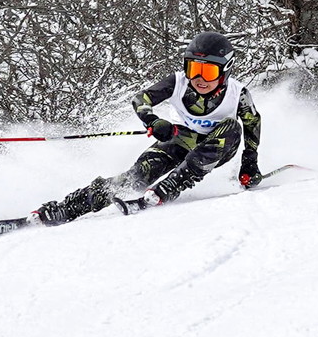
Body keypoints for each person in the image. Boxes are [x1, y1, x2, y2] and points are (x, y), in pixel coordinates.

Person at [32, 31, 262, 225]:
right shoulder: (178, 82)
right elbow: (140, 99)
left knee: (232, 126)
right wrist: (153, 121)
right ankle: (68, 208)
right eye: (194, 69)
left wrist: (249, 164)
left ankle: (173, 184)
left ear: (225, 71)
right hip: (179, 141)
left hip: (217, 147)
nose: (199, 78)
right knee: (136, 177)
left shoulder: (237, 94)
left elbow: (252, 123)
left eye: (209, 71)